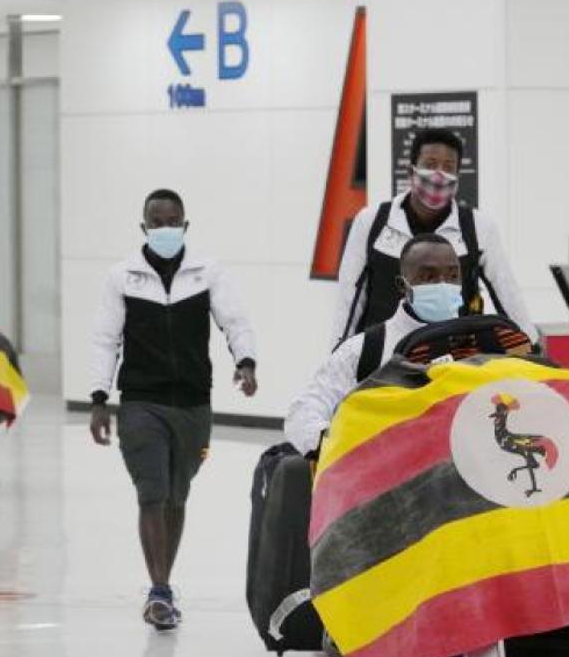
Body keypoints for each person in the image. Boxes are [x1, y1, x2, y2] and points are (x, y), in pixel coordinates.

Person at [88, 188, 258, 631]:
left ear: (186, 225)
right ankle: (159, 590)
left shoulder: (207, 272)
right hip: (141, 402)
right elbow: (106, 339)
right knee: (152, 493)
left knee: (177, 496)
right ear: (143, 227)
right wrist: (99, 398)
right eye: (156, 221)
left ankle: (164, 581)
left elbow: (234, 320)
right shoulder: (122, 277)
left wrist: (246, 362)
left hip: (193, 404)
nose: (165, 228)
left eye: (173, 221)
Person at [331, 128, 534, 347]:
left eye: (448, 167)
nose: (439, 175)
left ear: (457, 178)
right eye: (430, 164)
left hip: (453, 354)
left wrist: (532, 346)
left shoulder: (478, 227)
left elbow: (507, 294)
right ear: (411, 171)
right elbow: (349, 298)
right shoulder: (372, 221)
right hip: (382, 354)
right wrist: (339, 354)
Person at [286, 234, 464, 458]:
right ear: (402, 285)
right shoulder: (365, 350)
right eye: (428, 277)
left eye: (453, 276)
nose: (443, 285)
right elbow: (304, 411)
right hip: (386, 482)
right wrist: (334, 447)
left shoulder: (488, 343)